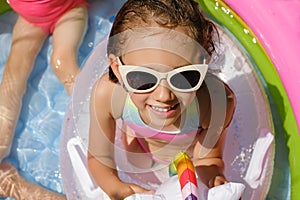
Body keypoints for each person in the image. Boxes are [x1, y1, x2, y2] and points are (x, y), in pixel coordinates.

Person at [87, 0, 235, 199]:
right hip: (142, 145)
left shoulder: (215, 102)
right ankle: (132, 131)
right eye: (142, 78)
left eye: (184, 76)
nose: (164, 95)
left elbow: (209, 158)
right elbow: (99, 157)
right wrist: (116, 188)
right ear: (117, 69)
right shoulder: (108, 94)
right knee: (136, 160)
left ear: (204, 63)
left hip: (190, 152)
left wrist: (213, 180)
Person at [0, 0, 88, 199]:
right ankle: (1, 143)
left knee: (62, 62)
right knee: (13, 76)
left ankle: (94, 123)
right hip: (30, 20)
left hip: (68, 11)